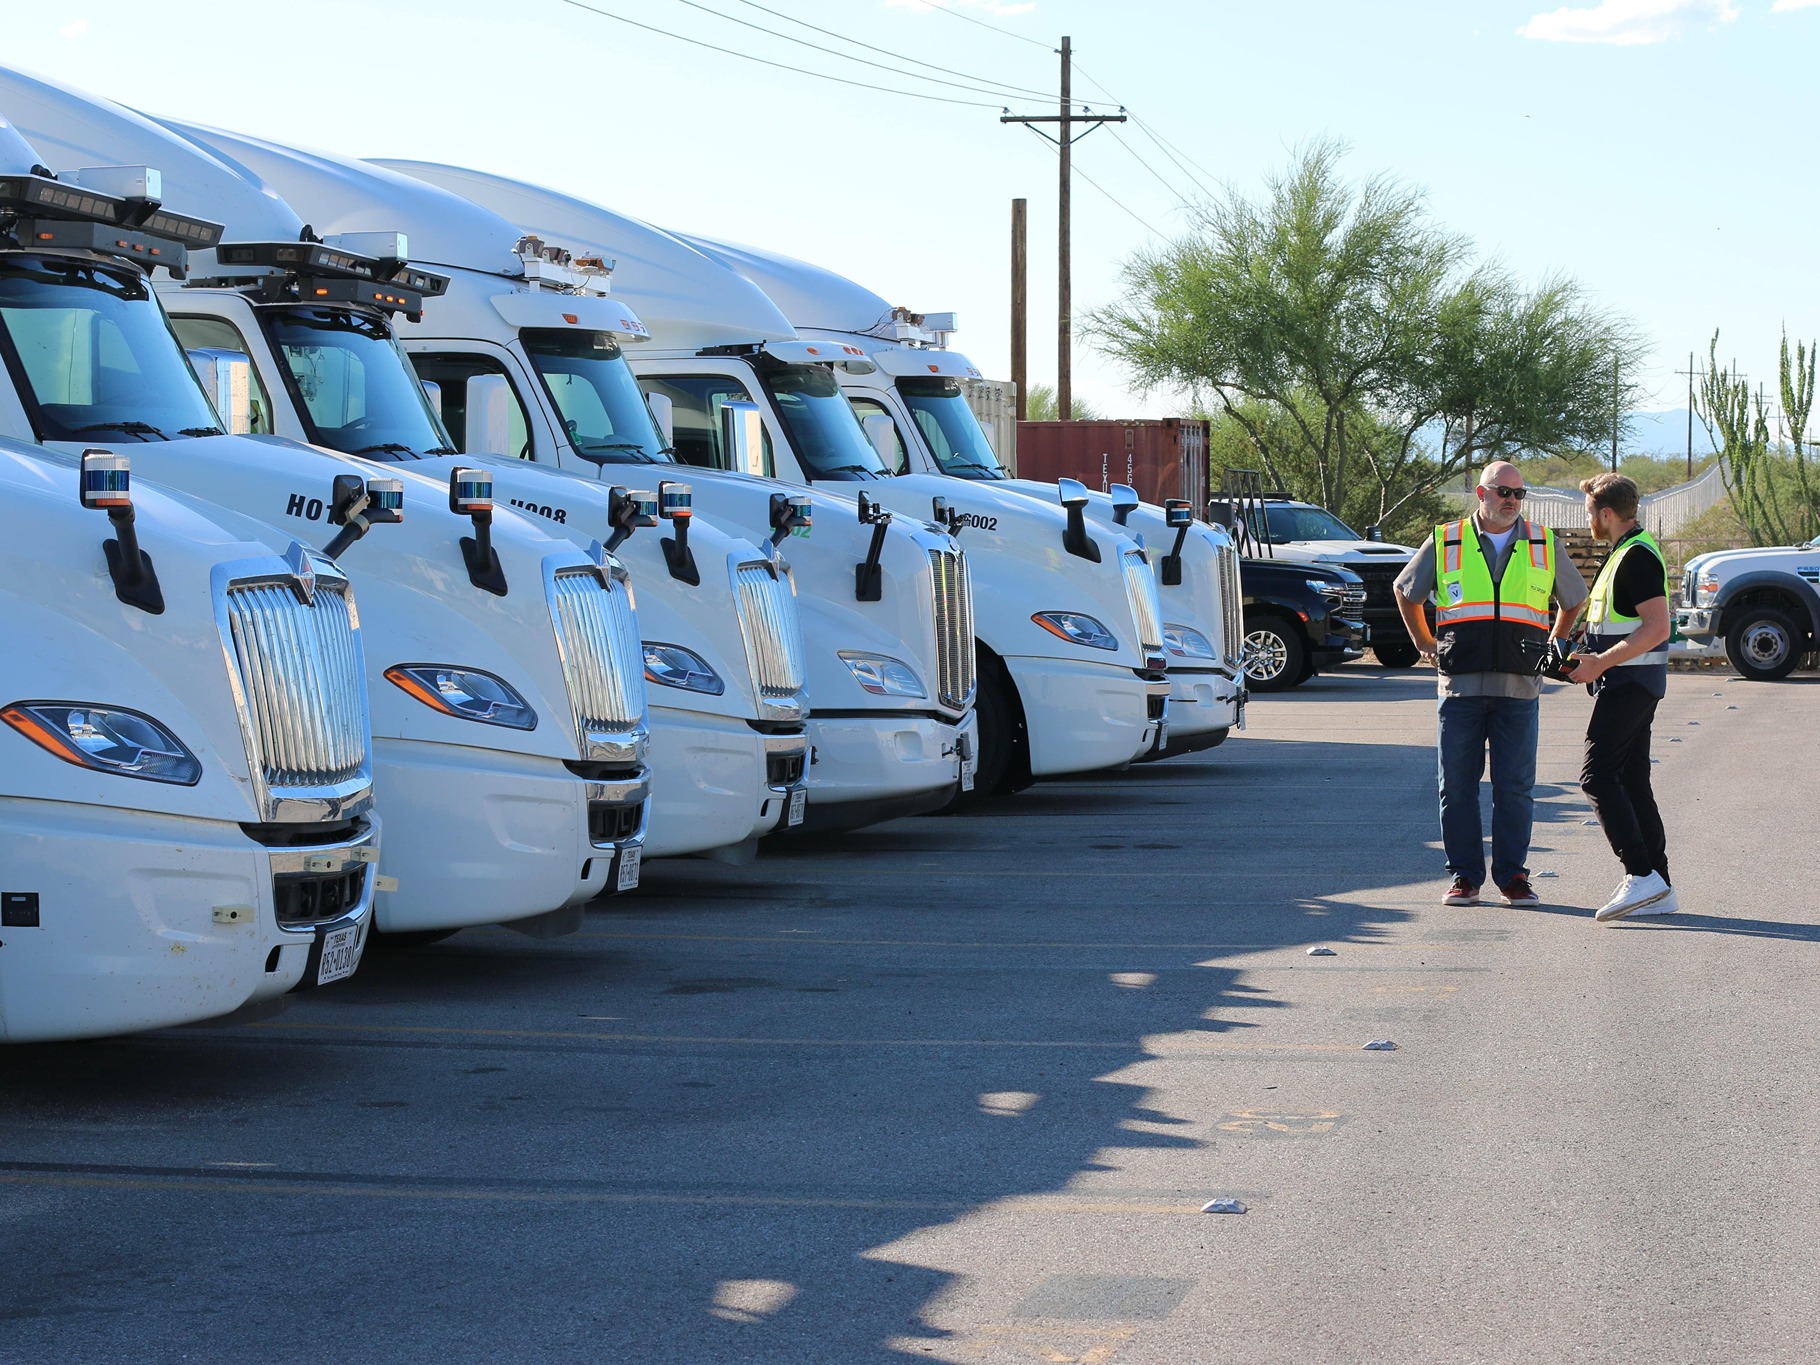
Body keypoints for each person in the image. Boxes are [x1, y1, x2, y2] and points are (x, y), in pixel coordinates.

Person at [1394, 461, 1587, 907]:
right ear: (1481, 495)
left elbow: (1574, 598)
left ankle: (1513, 877)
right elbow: (1406, 591)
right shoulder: (1447, 540)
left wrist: (1555, 640)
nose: (1512, 501)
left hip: (1519, 688)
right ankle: (1464, 876)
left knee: (1515, 787)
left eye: (1519, 494)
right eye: (1503, 491)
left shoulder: (1543, 541)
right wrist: (1424, 641)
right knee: (1457, 786)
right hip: (1459, 687)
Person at [1565, 473, 1677, 922]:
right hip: (1628, 682)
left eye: (1589, 510)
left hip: (1629, 685)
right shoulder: (1623, 553)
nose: (1587, 518)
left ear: (1605, 513)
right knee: (1631, 780)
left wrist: (1600, 663)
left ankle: (1640, 873)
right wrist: (1582, 655)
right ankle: (1659, 885)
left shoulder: (1635, 558)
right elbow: (1619, 623)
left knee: (1597, 776)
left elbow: (1657, 627)